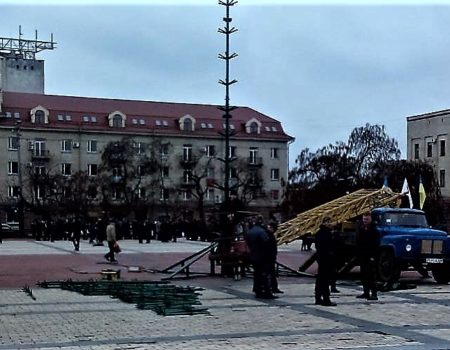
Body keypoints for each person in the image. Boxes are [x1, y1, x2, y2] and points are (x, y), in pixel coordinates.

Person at [245, 216, 276, 299]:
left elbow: (248, 243)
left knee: (257, 274)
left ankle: (258, 291)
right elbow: (266, 243)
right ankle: (267, 292)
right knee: (265, 274)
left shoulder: (250, 231)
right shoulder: (262, 232)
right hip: (262, 256)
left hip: (254, 255)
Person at [356, 212, 379, 301]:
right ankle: (366, 292)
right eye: (364, 219)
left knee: (371, 275)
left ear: (371, 219)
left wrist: (373, 256)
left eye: (367, 219)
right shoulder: (361, 228)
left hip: (371, 256)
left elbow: (376, 244)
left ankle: (374, 294)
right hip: (363, 255)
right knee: (364, 275)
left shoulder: (374, 230)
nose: (365, 221)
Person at [314, 217, 337, 306]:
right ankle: (326, 299)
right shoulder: (326, 233)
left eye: (329, 222)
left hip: (321, 258)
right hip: (326, 259)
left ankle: (318, 298)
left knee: (320, 279)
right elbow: (330, 246)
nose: (329, 223)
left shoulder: (319, 232)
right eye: (327, 222)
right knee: (325, 280)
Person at [266, 222, 283, 294]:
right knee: (270, 273)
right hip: (269, 257)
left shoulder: (269, 235)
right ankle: (272, 288)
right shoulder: (268, 235)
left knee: (272, 273)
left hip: (270, 257)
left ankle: (274, 287)